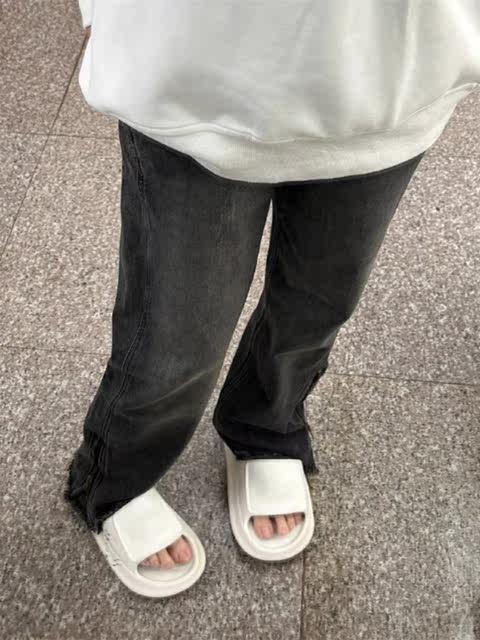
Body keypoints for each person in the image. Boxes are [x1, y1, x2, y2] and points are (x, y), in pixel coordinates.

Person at [64, 0, 480, 598]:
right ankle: (113, 476)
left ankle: (265, 424)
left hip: (401, 71)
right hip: (197, 73)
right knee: (176, 334)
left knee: (317, 304)